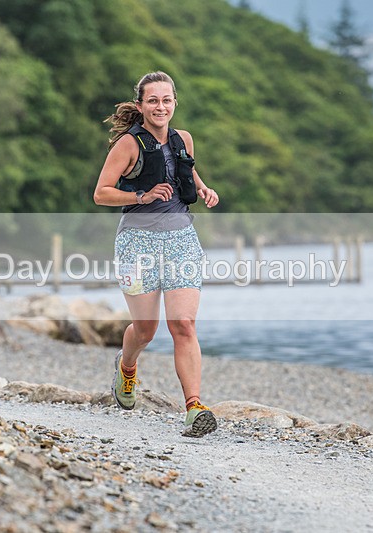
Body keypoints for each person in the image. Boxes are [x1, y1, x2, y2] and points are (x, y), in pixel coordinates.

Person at [93, 71, 220, 438]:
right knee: (146, 329)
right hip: (137, 243)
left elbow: (187, 174)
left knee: (183, 324)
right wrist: (141, 197)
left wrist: (204, 189)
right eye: (153, 100)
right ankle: (127, 368)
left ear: (175, 102)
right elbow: (101, 193)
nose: (160, 106)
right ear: (141, 106)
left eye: (166, 100)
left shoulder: (185, 139)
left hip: (181, 239)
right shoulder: (128, 146)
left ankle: (194, 407)